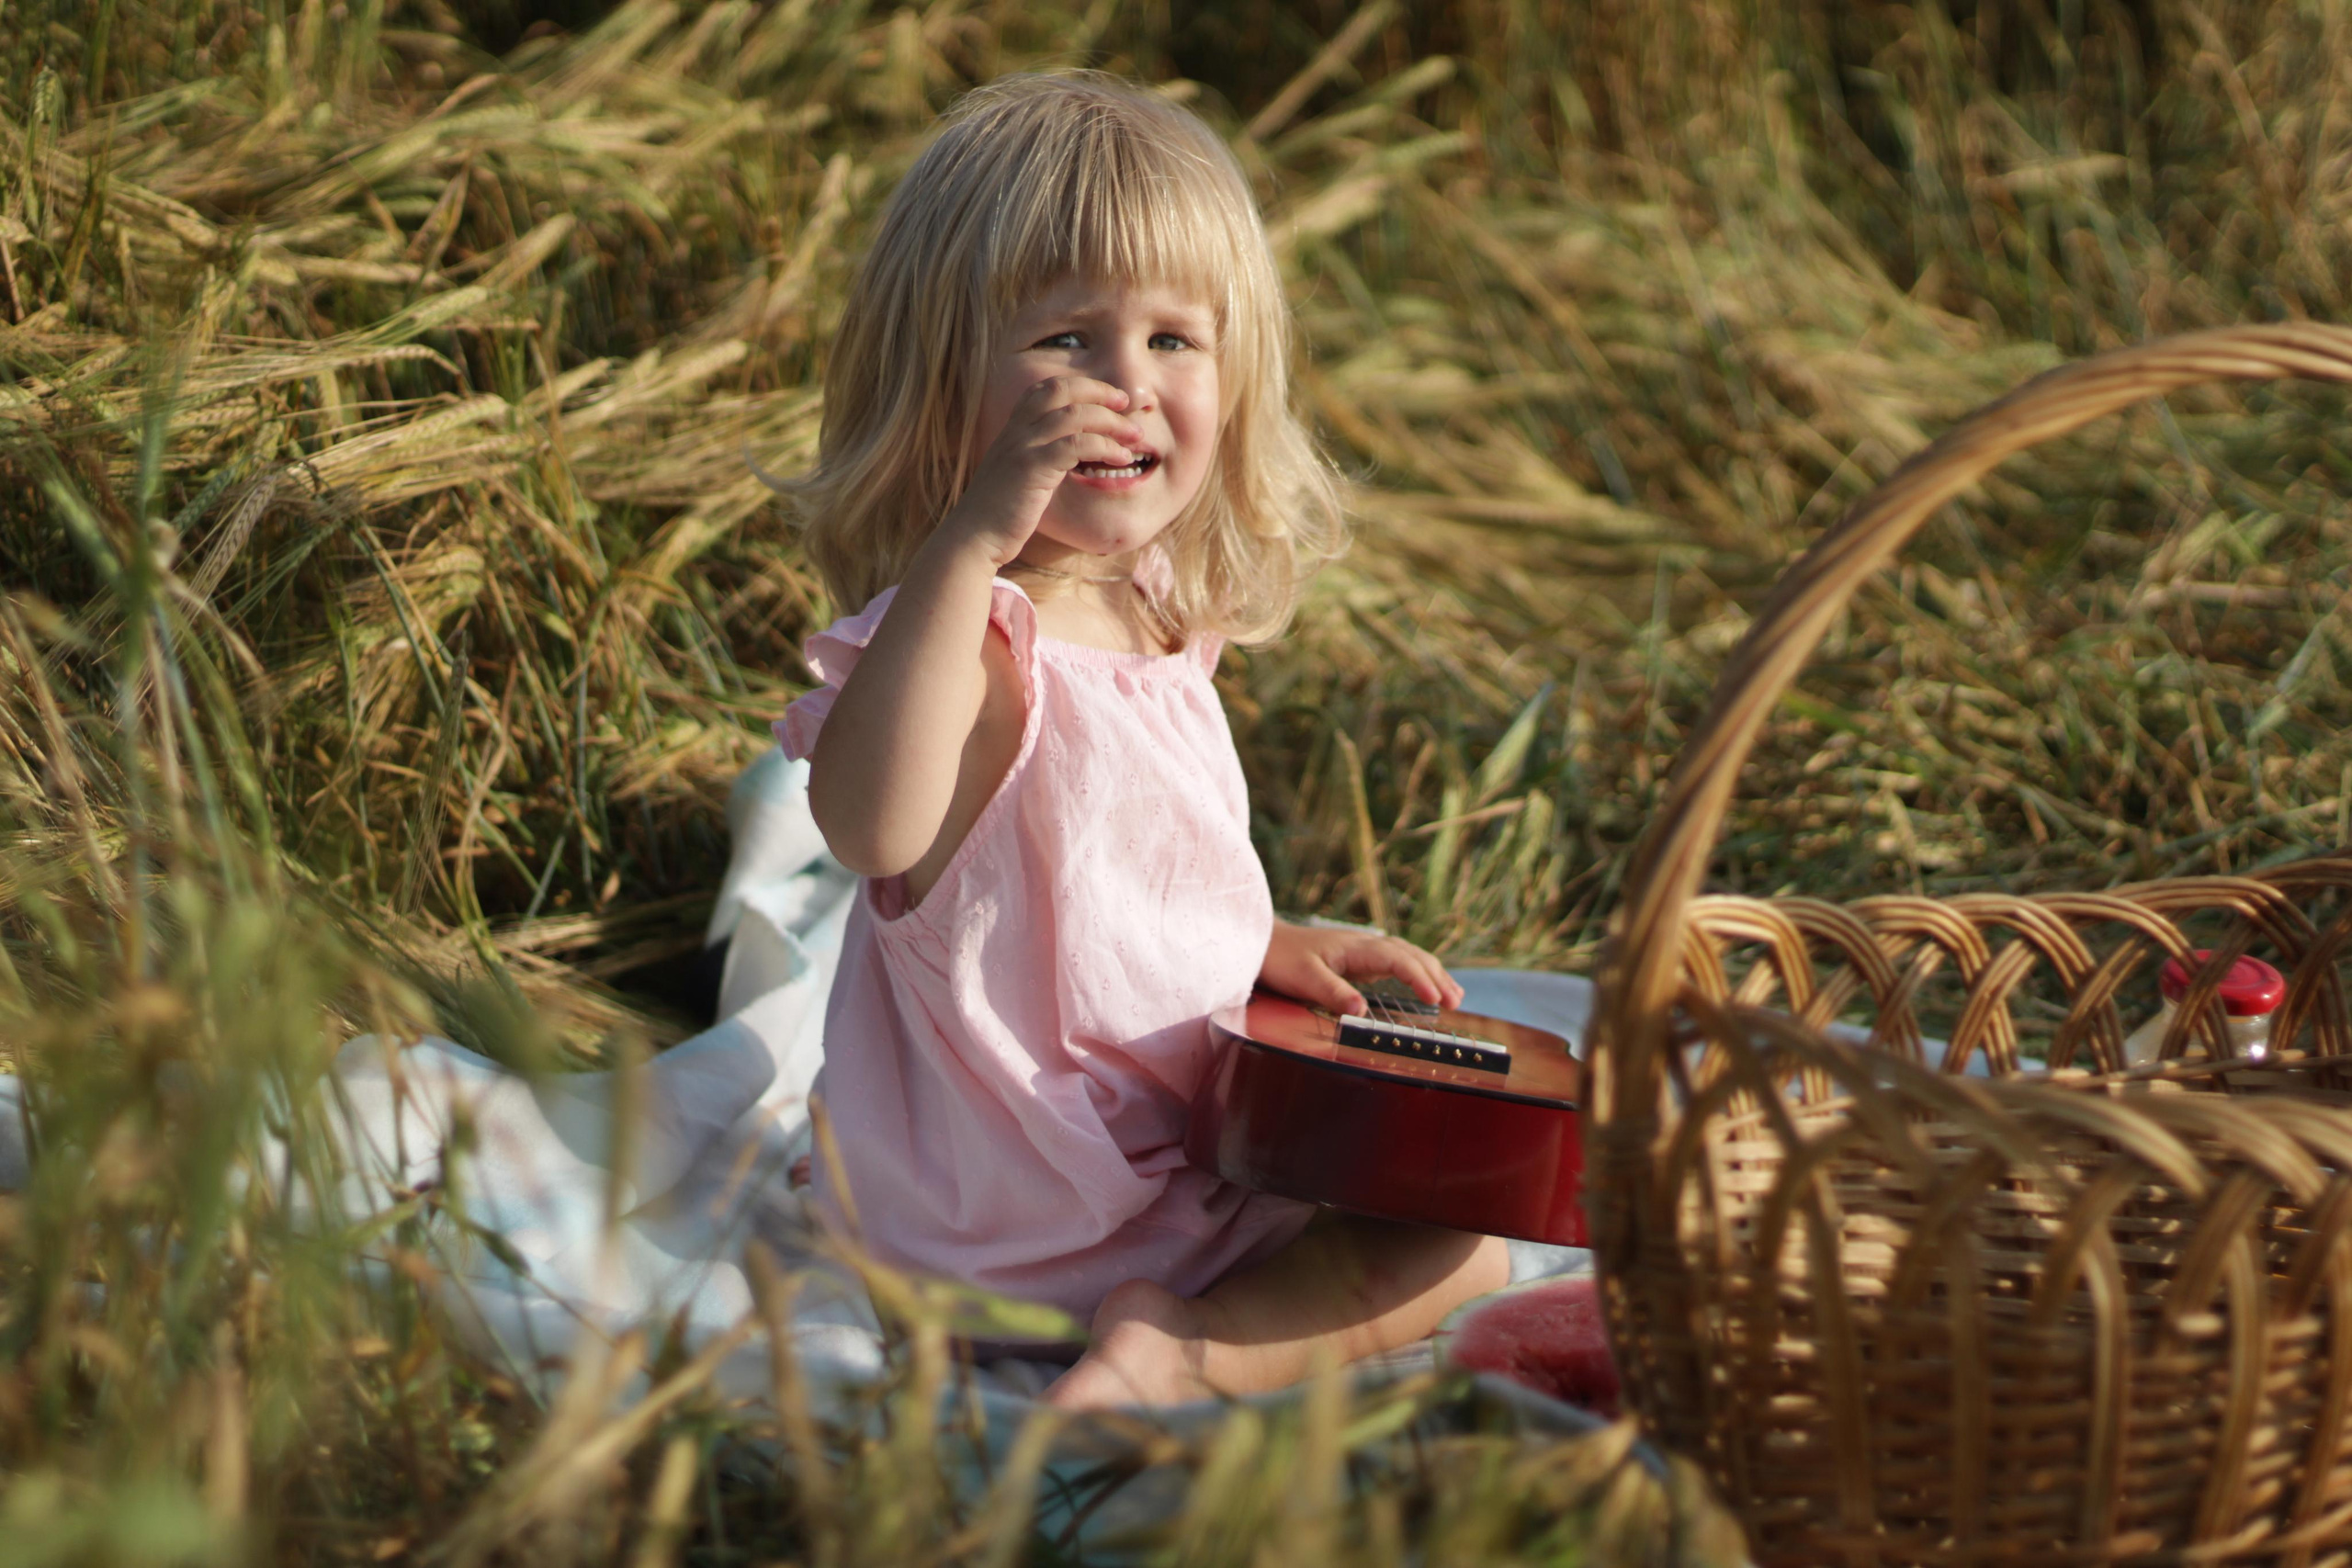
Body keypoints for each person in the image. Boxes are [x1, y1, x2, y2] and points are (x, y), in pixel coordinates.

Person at [775, 72, 1508, 1409]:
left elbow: (1100, 893)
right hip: (1045, 1213)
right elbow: (874, 833)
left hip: (983, 1213)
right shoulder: (971, 641)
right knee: (1457, 1251)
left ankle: (1157, 1337)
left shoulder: (1157, 616)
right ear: (943, 385)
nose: (1125, 388)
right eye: (1064, 342)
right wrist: (972, 544)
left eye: (1175, 341)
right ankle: (1181, 1353)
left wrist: (1261, 948)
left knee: (1461, 1206)